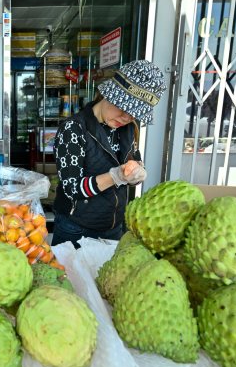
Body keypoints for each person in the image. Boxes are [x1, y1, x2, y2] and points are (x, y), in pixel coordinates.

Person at [52, 60, 166, 247]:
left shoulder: (128, 127)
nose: (127, 118)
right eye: (124, 109)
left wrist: (136, 173)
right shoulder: (73, 129)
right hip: (76, 228)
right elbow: (72, 188)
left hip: (113, 227)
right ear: (110, 95)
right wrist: (115, 176)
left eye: (134, 114)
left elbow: (133, 162)